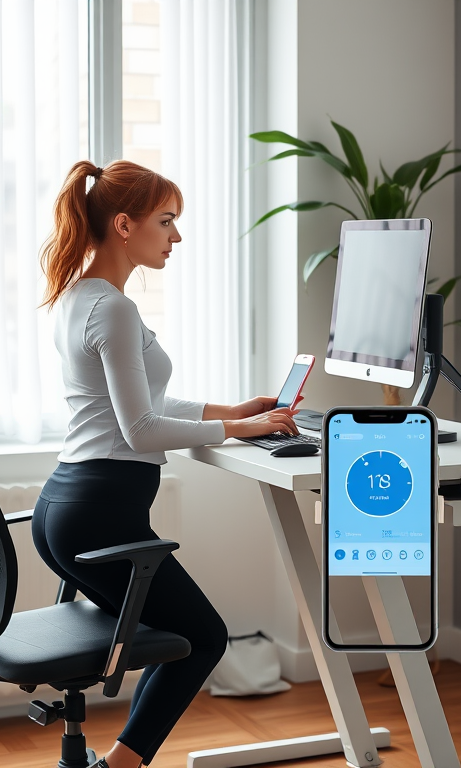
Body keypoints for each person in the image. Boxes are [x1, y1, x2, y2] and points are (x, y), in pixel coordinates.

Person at [34, 159, 300, 767]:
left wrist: (231, 409)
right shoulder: (113, 309)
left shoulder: (80, 297)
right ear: (124, 225)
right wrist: (241, 428)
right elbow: (143, 428)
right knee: (204, 638)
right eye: (167, 221)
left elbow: (139, 402)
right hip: (101, 514)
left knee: (178, 638)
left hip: (63, 507)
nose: (176, 237)